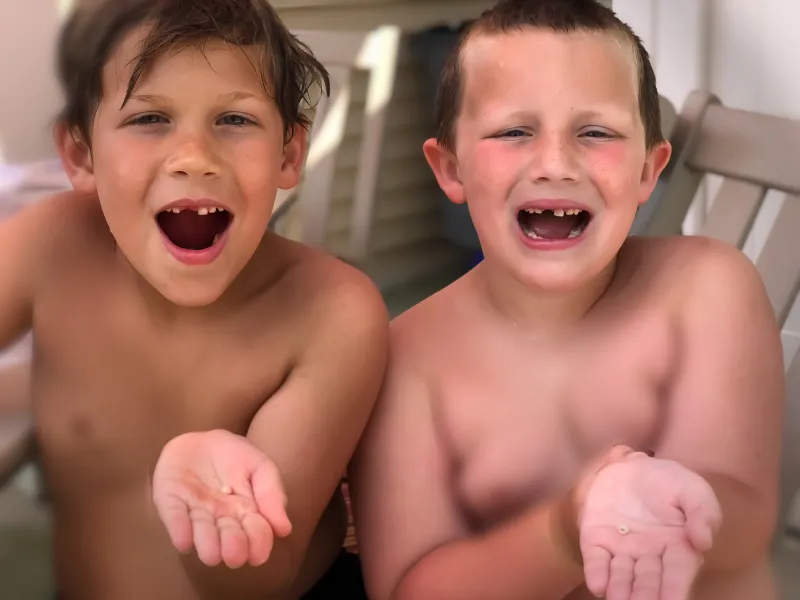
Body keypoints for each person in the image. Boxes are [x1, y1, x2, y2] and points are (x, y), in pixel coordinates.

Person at [348, 1, 785, 599]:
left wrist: (665, 502)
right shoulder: (407, 361)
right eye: (513, 132)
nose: (555, 163)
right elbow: (409, 589)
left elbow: (744, 523)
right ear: (449, 169)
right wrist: (565, 531)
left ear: (647, 171)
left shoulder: (707, 289)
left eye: (596, 132)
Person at [0, 0, 388, 598]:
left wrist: (209, 496)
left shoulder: (332, 311)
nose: (194, 159)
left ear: (289, 154)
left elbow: (259, 578)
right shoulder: (53, 245)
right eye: (150, 119)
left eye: (234, 120)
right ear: (80, 155)